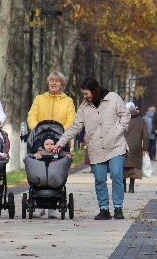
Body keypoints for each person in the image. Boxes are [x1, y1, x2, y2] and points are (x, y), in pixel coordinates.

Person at [54, 77, 129, 220]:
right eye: (83, 94)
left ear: (94, 90)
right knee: (100, 179)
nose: (85, 96)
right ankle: (104, 209)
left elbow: (125, 115)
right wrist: (60, 142)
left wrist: (118, 131)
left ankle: (118, 207)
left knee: (116, 175)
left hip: (116, 145)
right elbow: (76, 126)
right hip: (96, 147)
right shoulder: (84, 107)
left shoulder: (113, 98)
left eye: (86, 93)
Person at [27, 71, 75, 217]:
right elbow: (32, 117)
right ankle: (39, 205)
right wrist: (37, 132)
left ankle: (54, 206)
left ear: (62, 84)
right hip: (41, 140)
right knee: (39, 167)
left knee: (56, 169)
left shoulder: (68, 101)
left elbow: (71, 119)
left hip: (60, 141)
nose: (54, 83)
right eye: (51, 81)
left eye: (57, 81)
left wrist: (62, 136)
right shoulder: (39, 99)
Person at [123, 102, 148, 193]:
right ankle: (131, 187)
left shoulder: (122, 119)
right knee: (134, 167)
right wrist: (145, 148)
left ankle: (123, 187)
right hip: (136, 147)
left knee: (123, 166)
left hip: (123, 147)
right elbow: (145, 135)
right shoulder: (141, 120)